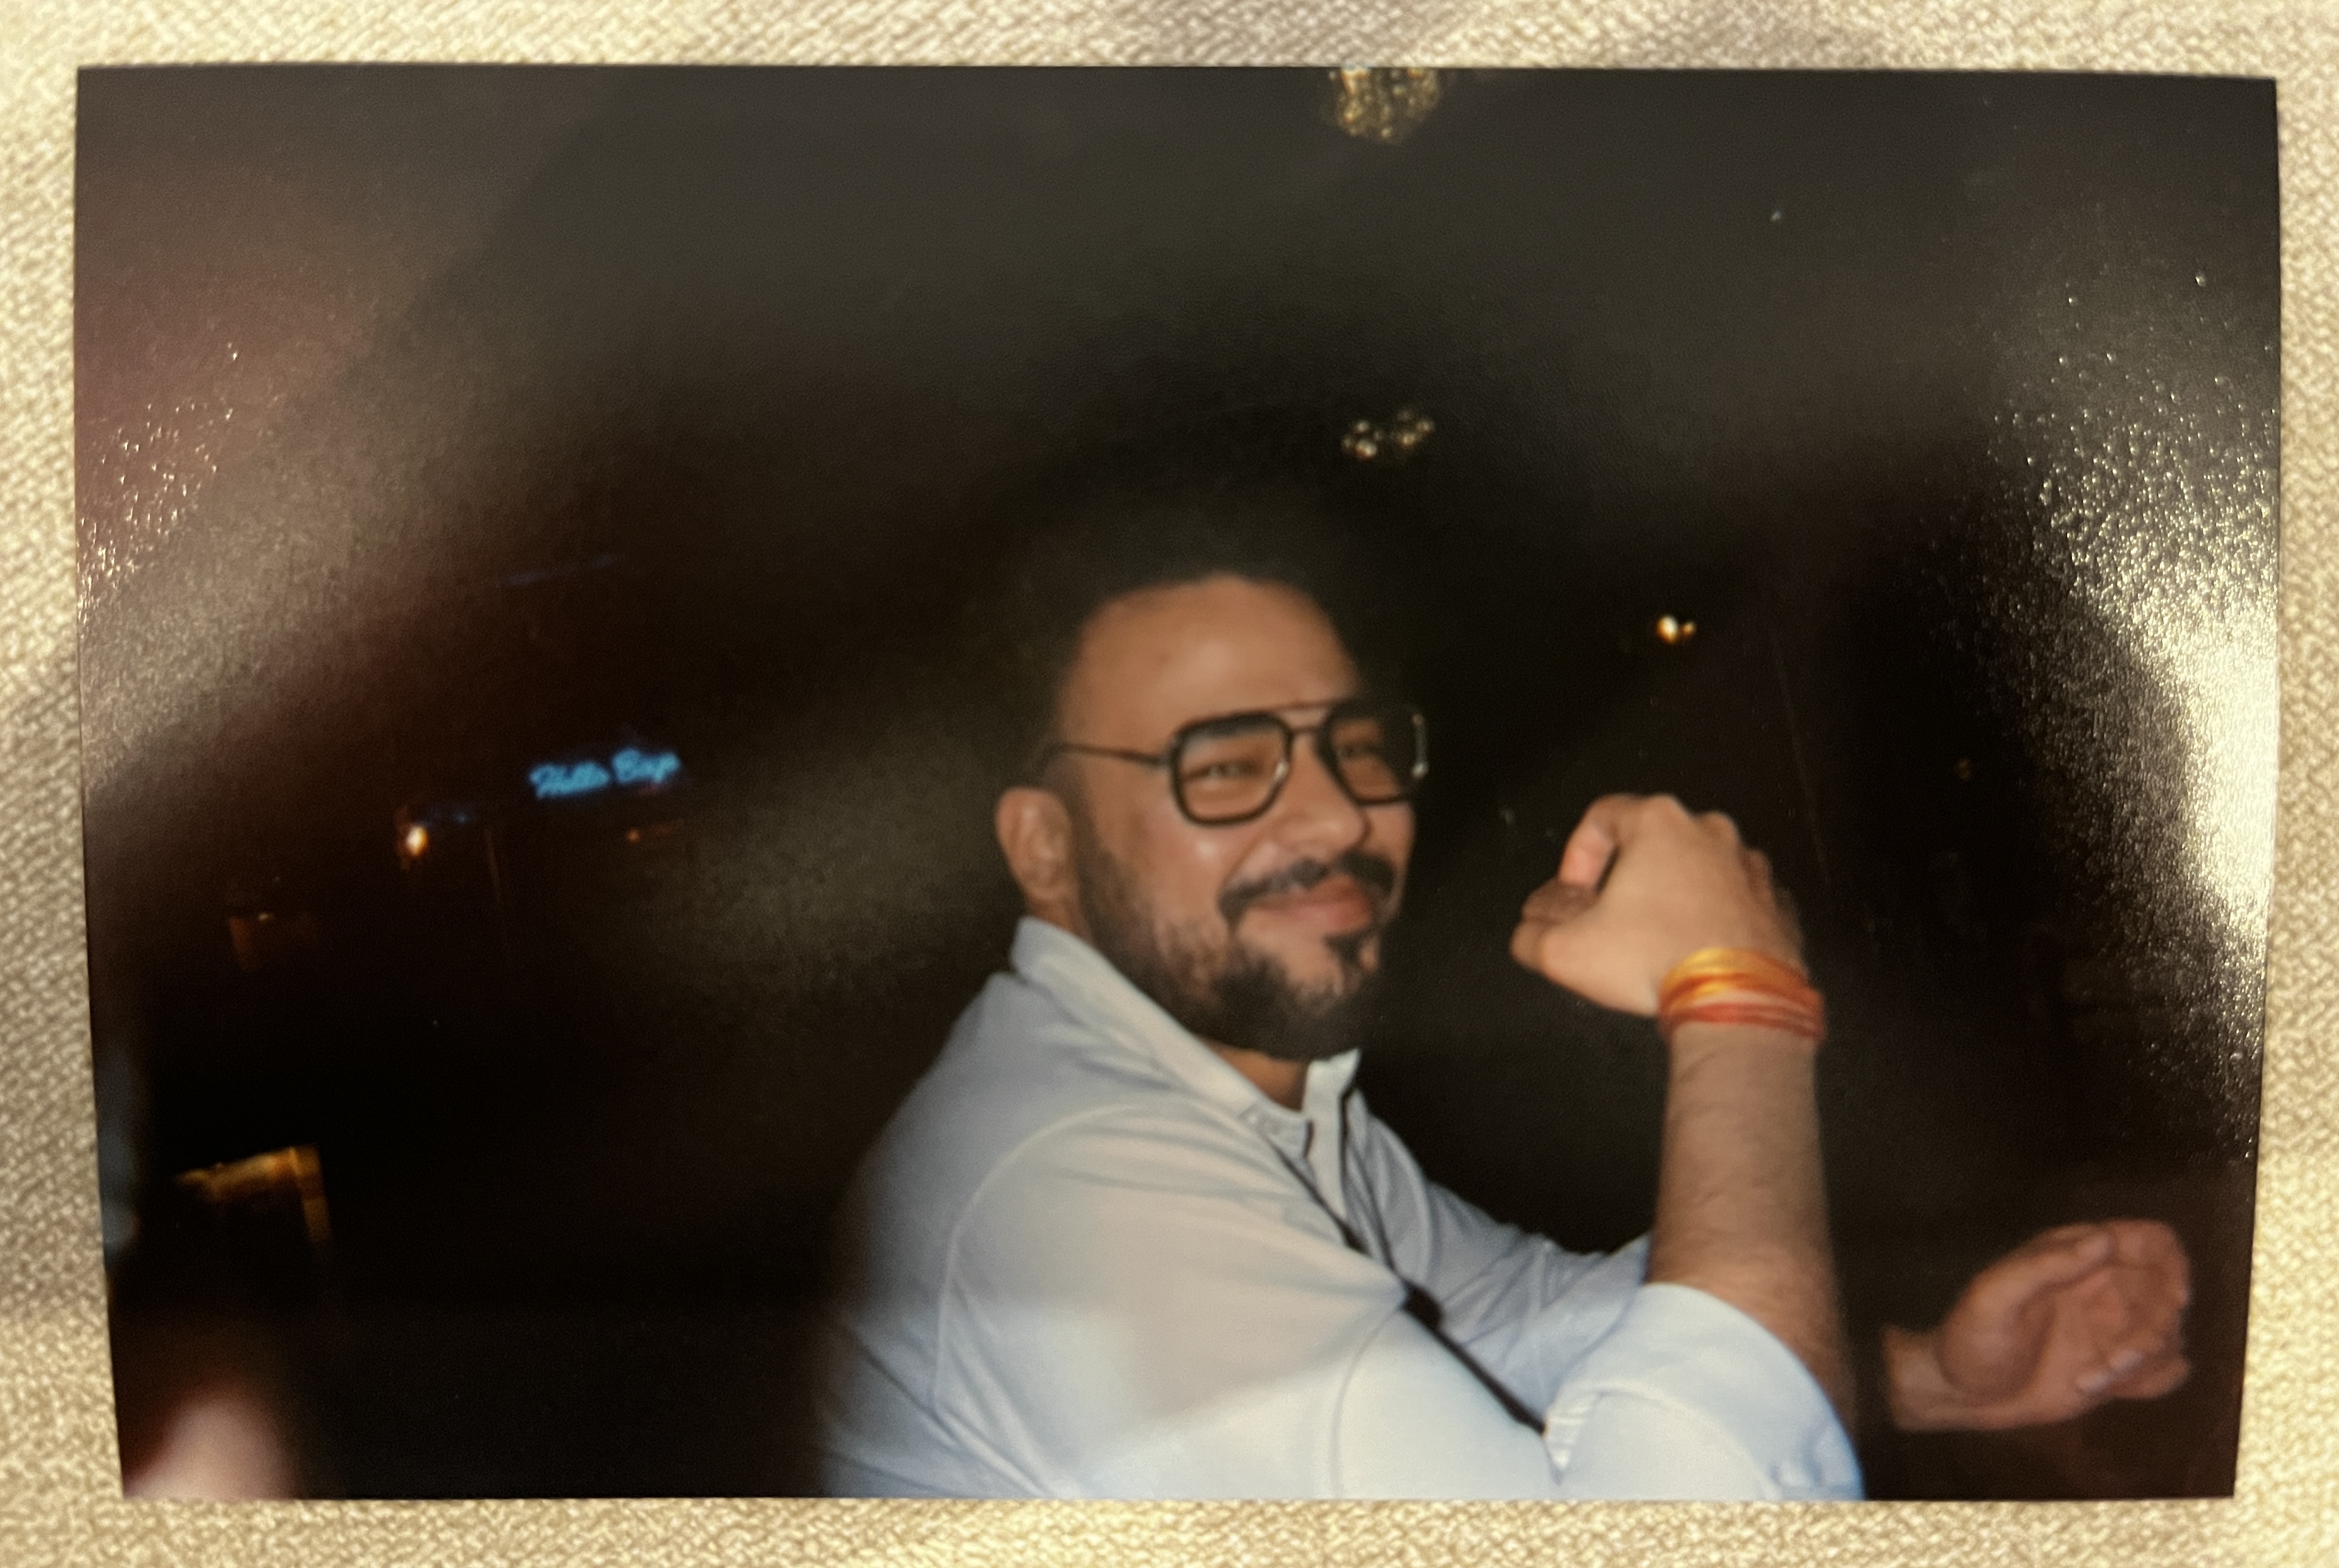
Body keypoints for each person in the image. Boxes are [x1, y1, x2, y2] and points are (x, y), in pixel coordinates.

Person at [816, 486, 2192, 1499]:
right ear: (1045, 849)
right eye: (1224, 765)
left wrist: (1923, 1372)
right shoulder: (1074, 1190)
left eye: (1356, 745)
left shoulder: (1258, 1099)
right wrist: (1741, 1001)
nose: (1336, 815)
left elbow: (1506, 1320)